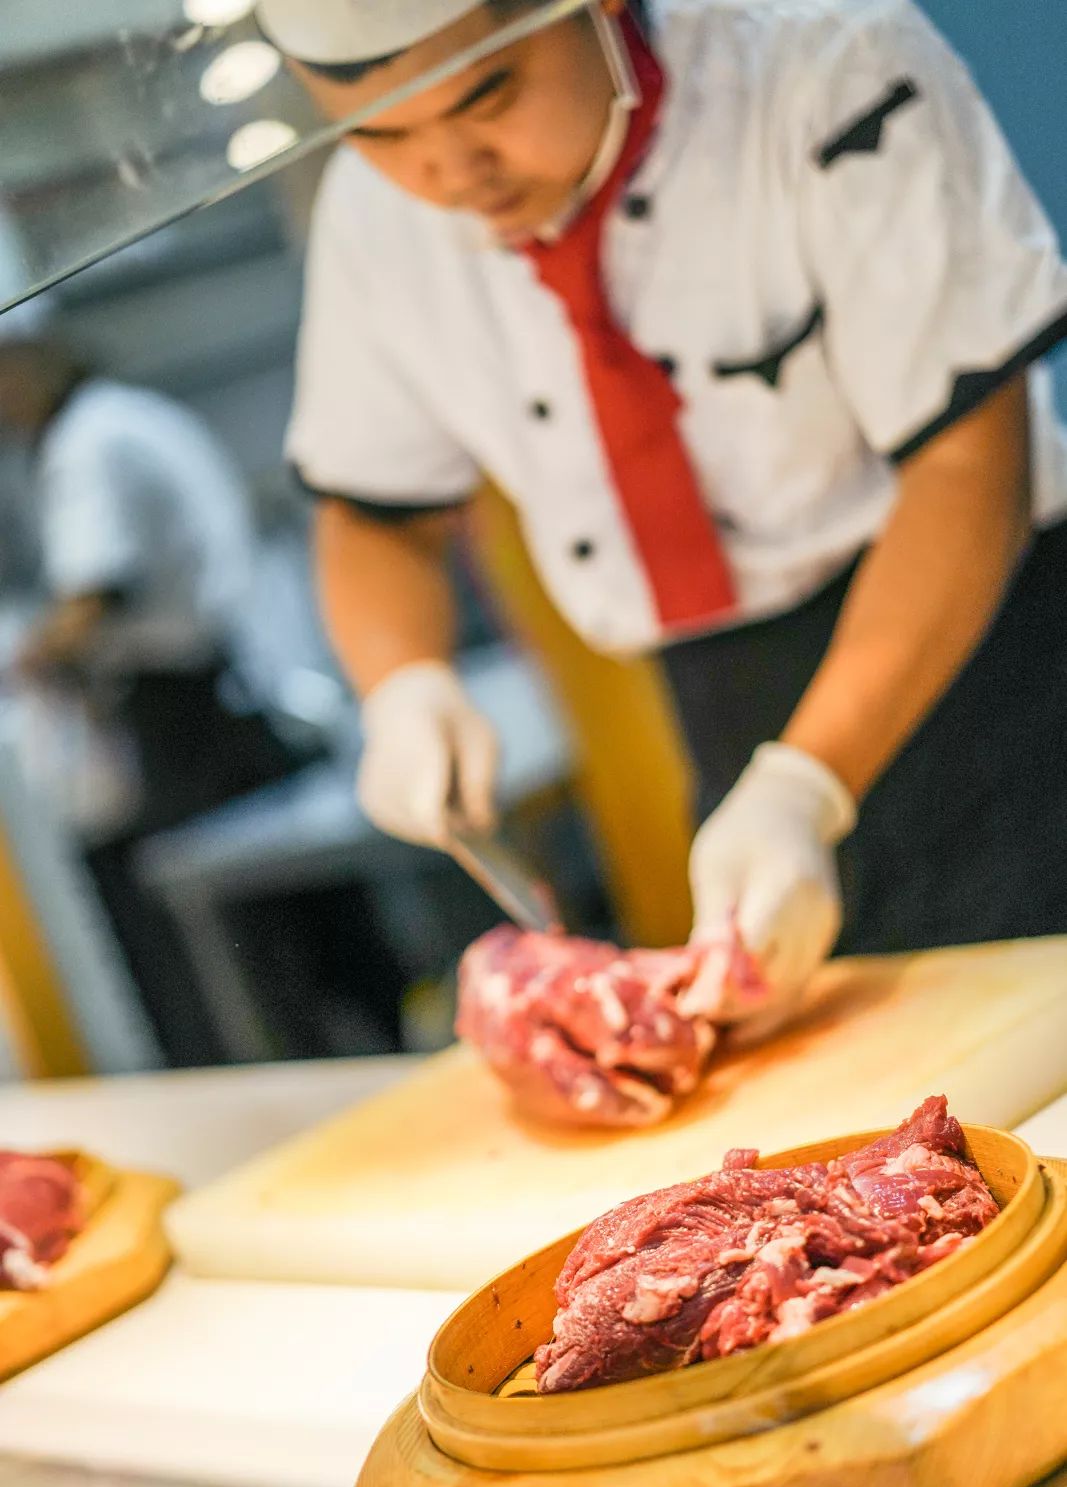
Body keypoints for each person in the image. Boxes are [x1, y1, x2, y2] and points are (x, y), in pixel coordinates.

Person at [257, 0, 1067, 1037]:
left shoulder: (825, 62)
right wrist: (401, 682)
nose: (450, 173)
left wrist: (807, 787)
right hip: (722, 706)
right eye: (376, 132)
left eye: (486, 98)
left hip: (994, 643)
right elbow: (374, 516)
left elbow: (965, 466)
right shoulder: (377, 222)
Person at [0, 335, 313, 1061]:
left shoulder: (90, 441)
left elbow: (93, 597)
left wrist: (31, 657)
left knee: (236, 938)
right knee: (277, 928)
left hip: (188, 710)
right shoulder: (115, 419)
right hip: (221, 692)